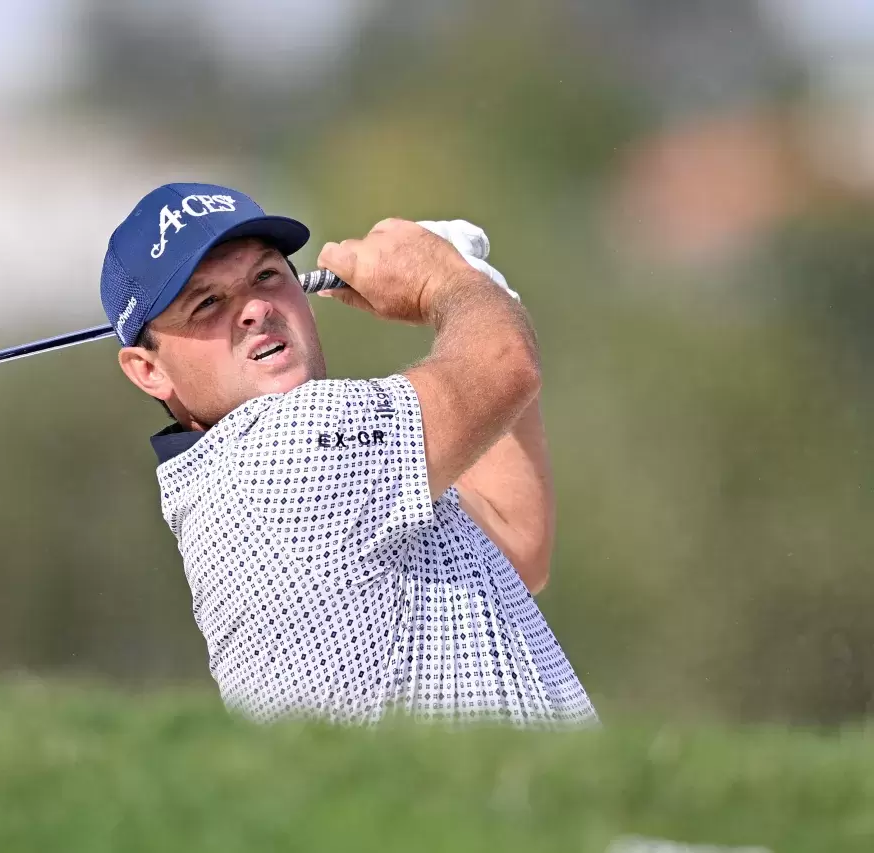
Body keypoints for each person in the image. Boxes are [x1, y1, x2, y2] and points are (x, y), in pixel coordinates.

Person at [100, 182, 597, 728]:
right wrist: (446, 281)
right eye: (207, 303)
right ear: (148, 370)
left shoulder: (302, 475)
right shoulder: (279, 451)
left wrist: (482, 290)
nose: (256, 309)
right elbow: (505, 364)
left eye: (266, 276)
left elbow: (517, 539)